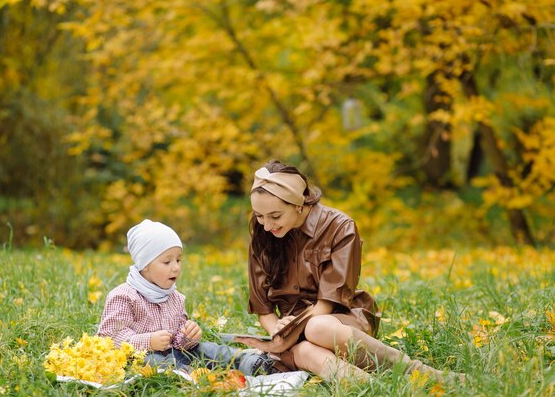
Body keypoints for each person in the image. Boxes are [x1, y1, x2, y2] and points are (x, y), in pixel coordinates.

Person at [234, 160, 464, 384]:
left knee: (317, 327)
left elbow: (327, 304)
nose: (266, 225)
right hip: (291, 338)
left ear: (298, 203)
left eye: (275, 216)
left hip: (340, 322)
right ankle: (376, 388)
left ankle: (423, 374)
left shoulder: (339, 226)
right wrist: (277, 331)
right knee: (304, 351)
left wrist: (291, 329)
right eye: (259, 216)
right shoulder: (262, 236)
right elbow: (263, 308)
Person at [97, 219, 273, 376]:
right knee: (154, 362)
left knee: (206, 349)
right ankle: (189, 376)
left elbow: (180, 343)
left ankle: (249, 362)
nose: (176, 268)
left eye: (178, 260)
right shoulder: (124, 296)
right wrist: (148, 341)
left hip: (177, 353)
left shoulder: (174, 297)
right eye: (167, 262)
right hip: (142, 357)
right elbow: (109, 338)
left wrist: (188, 336)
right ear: (144, 265)